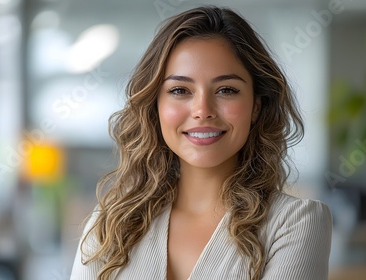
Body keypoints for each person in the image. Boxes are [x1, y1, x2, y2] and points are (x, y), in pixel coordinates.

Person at [70, 5, 332, 280]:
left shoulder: (296, 223)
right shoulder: (110, 223)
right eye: (180, 90)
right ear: (155, 106)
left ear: (256, 106)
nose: (202, 109)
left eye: (226, 90)